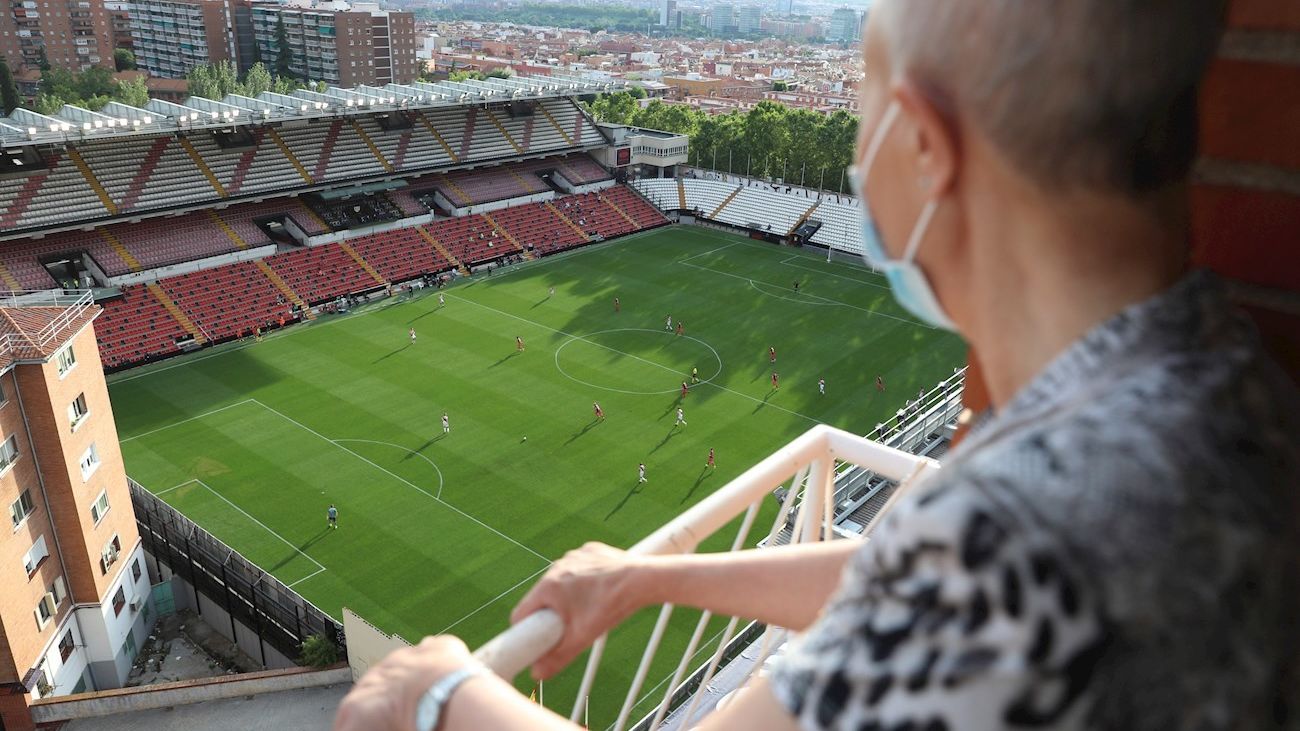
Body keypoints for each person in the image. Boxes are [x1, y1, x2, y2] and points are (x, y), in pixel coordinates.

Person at [335, 4, 1300, 731]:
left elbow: (979, 561)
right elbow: (919, 569)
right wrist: (652, 579)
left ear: (925, 149)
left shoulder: (1040, 526)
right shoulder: (1205, 371)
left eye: (859, 114)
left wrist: (436, 697)